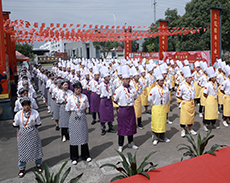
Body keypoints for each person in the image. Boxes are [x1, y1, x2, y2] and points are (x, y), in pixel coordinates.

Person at [13, 97, 43, 178]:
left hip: (33, 133)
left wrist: (31, 129)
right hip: (22, 134)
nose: (26, 107)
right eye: (24, 105)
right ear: (22, 105)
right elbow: (16, 125)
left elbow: (38, 123)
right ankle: (22, 168)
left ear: (30, 105)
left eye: (28, 105)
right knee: (22, 151)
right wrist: (23, 130)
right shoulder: (18, 114)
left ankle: (38, 164)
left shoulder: (35, 113)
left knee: (36, 149)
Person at [65, 81, 92, 165]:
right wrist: (75, 113)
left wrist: (80, 112)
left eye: (79, 88)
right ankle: (74, 157)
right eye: (76, 88)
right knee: (74, 137)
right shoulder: (70, 98)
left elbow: (86, 107)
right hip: (73, 116)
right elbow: (68, 109)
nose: (78, 89)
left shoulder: (84, 97)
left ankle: (85, 155)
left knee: (83, 136)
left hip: (82, 116)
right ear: (73, 89)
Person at [113, 65, 138, 152]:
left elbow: (135, 97)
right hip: (123, 110)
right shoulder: (119, 89)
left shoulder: (133, 88)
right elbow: (115, 100)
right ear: (123, 79)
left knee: (131, 126)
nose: (128, 81)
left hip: (130, 109)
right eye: (126, 79)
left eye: (129, 79)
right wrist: (122, 104)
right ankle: (120, 145)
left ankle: (131, 142)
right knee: (122, 128)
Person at [148, 67, 170, 145]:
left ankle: (162, 137)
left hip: (163, 107)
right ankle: (155, 138)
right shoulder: (153, 90)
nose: (162, 82)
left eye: (163, 80)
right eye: (160, 81)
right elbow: (149, 99)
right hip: (156, 107)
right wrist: (153, 104)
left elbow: (168, 98)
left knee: (163, 123)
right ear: (157, 81)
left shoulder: (166, 89)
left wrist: (164, 104)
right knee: (155, 123)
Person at [176, 66, 197, 137]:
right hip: (185, 103)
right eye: (189, 78)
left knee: (191, 117)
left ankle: (190, 129)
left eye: (191, 78)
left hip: (191, 102)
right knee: (184, 117)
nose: (191, 79)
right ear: (185, 78)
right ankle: (183, 130)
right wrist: (183, 99)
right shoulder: (182, 86)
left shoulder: (192, 85)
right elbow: (178, 95)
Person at [97, 67, 116, 136]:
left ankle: (110, 127)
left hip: (109, 100)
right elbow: (98, 93)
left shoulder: (111, 84)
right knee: (103, 115)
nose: (109, 77)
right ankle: (103, 128)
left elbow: (113, 91)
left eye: (109, 76)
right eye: (107, 76)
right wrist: (103, 97)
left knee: (110, 114)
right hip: (103, 100)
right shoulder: (101, 85)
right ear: (104, 78)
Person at [203, 67, 219, 131]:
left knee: (214, 112)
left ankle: (213, 123)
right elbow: (204, 93)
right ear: (211, 78)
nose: (215, 78)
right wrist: (209, 98)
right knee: (208, 112)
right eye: (214, 77)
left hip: (214, 100)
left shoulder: (215, 84)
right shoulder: (208, 84)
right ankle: (205, 124)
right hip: (209, 99)